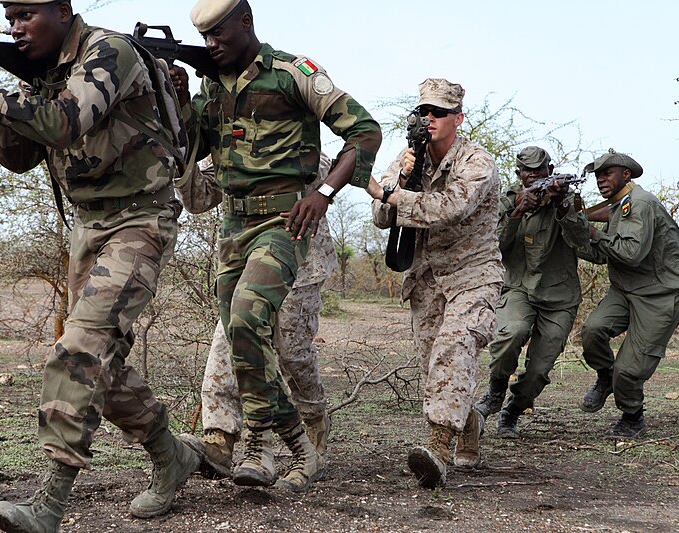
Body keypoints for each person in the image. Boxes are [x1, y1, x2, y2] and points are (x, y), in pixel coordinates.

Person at [0, 0, 202, 530]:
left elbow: (67, 124)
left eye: (27, 13)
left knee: (79, 350)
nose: (16, 26)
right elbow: (19, 155)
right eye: (10, 15)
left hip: (140, 218)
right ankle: (173, 456)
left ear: (63, 10)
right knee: (102, 364)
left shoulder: (108, 52)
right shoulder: (42, 72)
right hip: (90, 225)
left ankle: (49, 504)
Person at [171, 0, 381, 492]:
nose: (211, 45)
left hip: (286, 221)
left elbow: (364, 131)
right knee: (245, 340)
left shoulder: (292, 73)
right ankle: (298, 449)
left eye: (219, 34)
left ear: (246, 22)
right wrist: (178, 99)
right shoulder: (211, 86)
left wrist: (324, 193)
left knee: (248, 322)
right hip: (233, 225)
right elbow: (190, 147)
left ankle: (260, 445)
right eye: (204, 38)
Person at [367, 78, 503, 488]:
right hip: (426, 278)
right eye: (423, 111)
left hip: (473, 274)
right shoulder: (408, 156)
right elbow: (379, 216)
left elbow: (448, 208)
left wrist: (387, 195)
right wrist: (400, 181)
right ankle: (470, 421)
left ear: (457, 118)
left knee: (454, 347)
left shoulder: (477, 163)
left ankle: (439, 447)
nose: (429, 118)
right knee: (433, 365)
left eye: (438, 112)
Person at [176, 154, 336, 478]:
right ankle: (220, 436)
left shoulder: (287, 117)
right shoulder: (223, 130)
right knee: (231, 340)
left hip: (300, 262)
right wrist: (183, 159)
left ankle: (312, 427)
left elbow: (320, 165)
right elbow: (201, 195)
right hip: (247, 260)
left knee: (294, 356)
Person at [555, 149, 679, 438]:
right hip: (626, 288)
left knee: (628, 370)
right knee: (593, 331)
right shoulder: (617, 206)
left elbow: (630, 253)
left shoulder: (639, 204)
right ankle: (605, 376)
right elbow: (600, 255)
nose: (601, 179)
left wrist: (591, 232)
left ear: (626, 174)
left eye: (607, 173)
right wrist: (571, 224)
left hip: (660, 293)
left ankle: (632, 415)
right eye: (598, 175)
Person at [474, 147, 585, 438]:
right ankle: (495, 391)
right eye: (527, 171)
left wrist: (562, 207)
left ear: (550, 169)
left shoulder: (569, 200)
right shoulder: (504, 202)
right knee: (510, 333)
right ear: (519, 174)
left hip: (559, 295)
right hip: (518, 286)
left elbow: (583, 243)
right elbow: (493, 248)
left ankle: (512, 412)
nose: (534, 175)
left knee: (539, 370)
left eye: (540, 170)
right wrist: (517, 211)